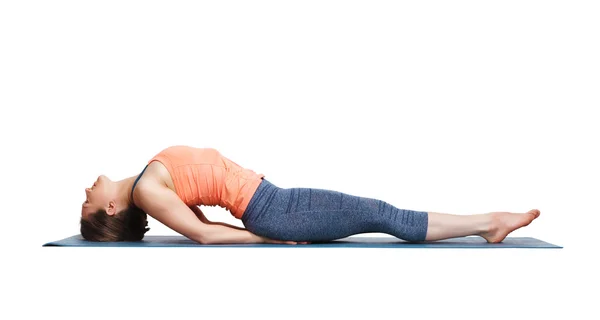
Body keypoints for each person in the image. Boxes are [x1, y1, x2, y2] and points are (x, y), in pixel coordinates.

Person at [80, 145, 541, 244]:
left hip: (274, 204)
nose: (87, 190)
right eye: (88, 201)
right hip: (277, 210)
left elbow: (201, 224)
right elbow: (204, 236)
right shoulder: (146, 192)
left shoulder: (147, 183)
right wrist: (266, 238)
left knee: (382, 213)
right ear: (112, 209)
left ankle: (487, 223)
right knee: (383, 214)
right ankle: (489, 223)